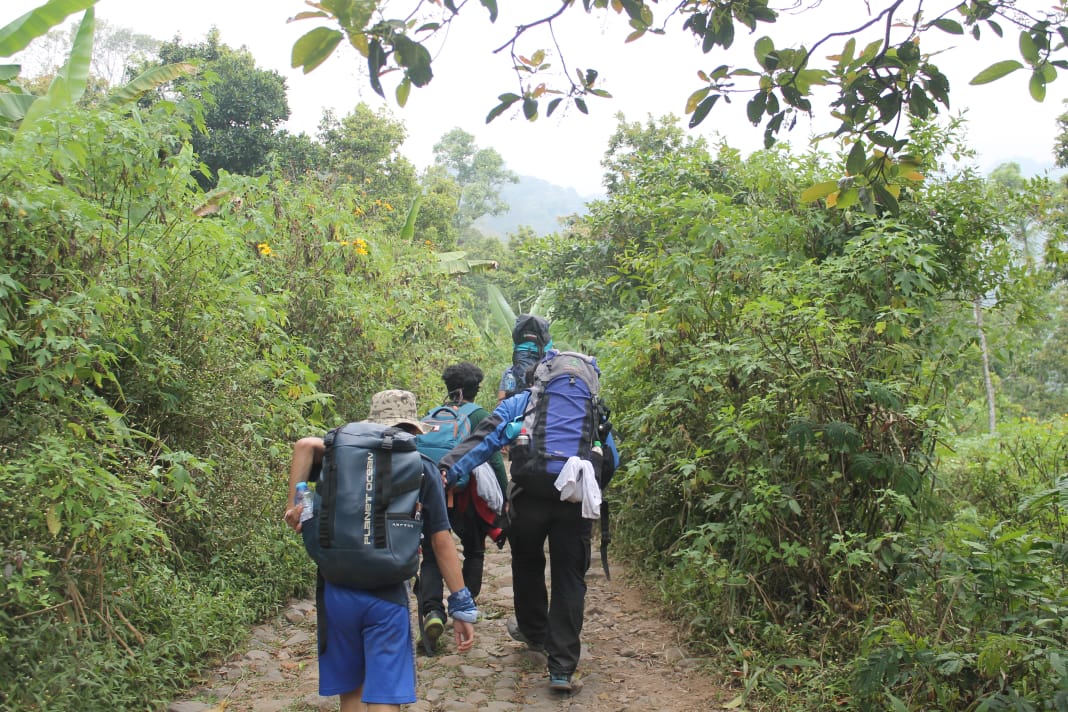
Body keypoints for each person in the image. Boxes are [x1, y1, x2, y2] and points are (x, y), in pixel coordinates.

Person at [284, 389, 478, 712]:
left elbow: (304, 446)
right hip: (386, 596)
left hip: (337, 588)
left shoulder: (340, 456)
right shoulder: (422, 467)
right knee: (385, 697)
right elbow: (441, 541)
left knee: (352, 695)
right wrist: (460, 605)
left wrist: (294, 505)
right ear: (413, 429)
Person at [438, 353, 619, 694]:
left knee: (527, 564)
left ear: (538, 379)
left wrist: (446, 470)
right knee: (569, 577)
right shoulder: (593, 410)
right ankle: (562, 669)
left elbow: (484, 439)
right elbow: (612, 459)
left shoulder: (523, 403)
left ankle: (535, 633)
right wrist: (587, 486)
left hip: (528, 498)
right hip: (574, 503)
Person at [416, 363, 509, 651]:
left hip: (433, 493)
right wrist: (504, 499)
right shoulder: (480, 415)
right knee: (474, 550)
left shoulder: (431, 416)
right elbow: (493, 457)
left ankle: (432, 612)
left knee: (431, 555)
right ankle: (463, 608)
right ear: (476, 388)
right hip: (466, 496)